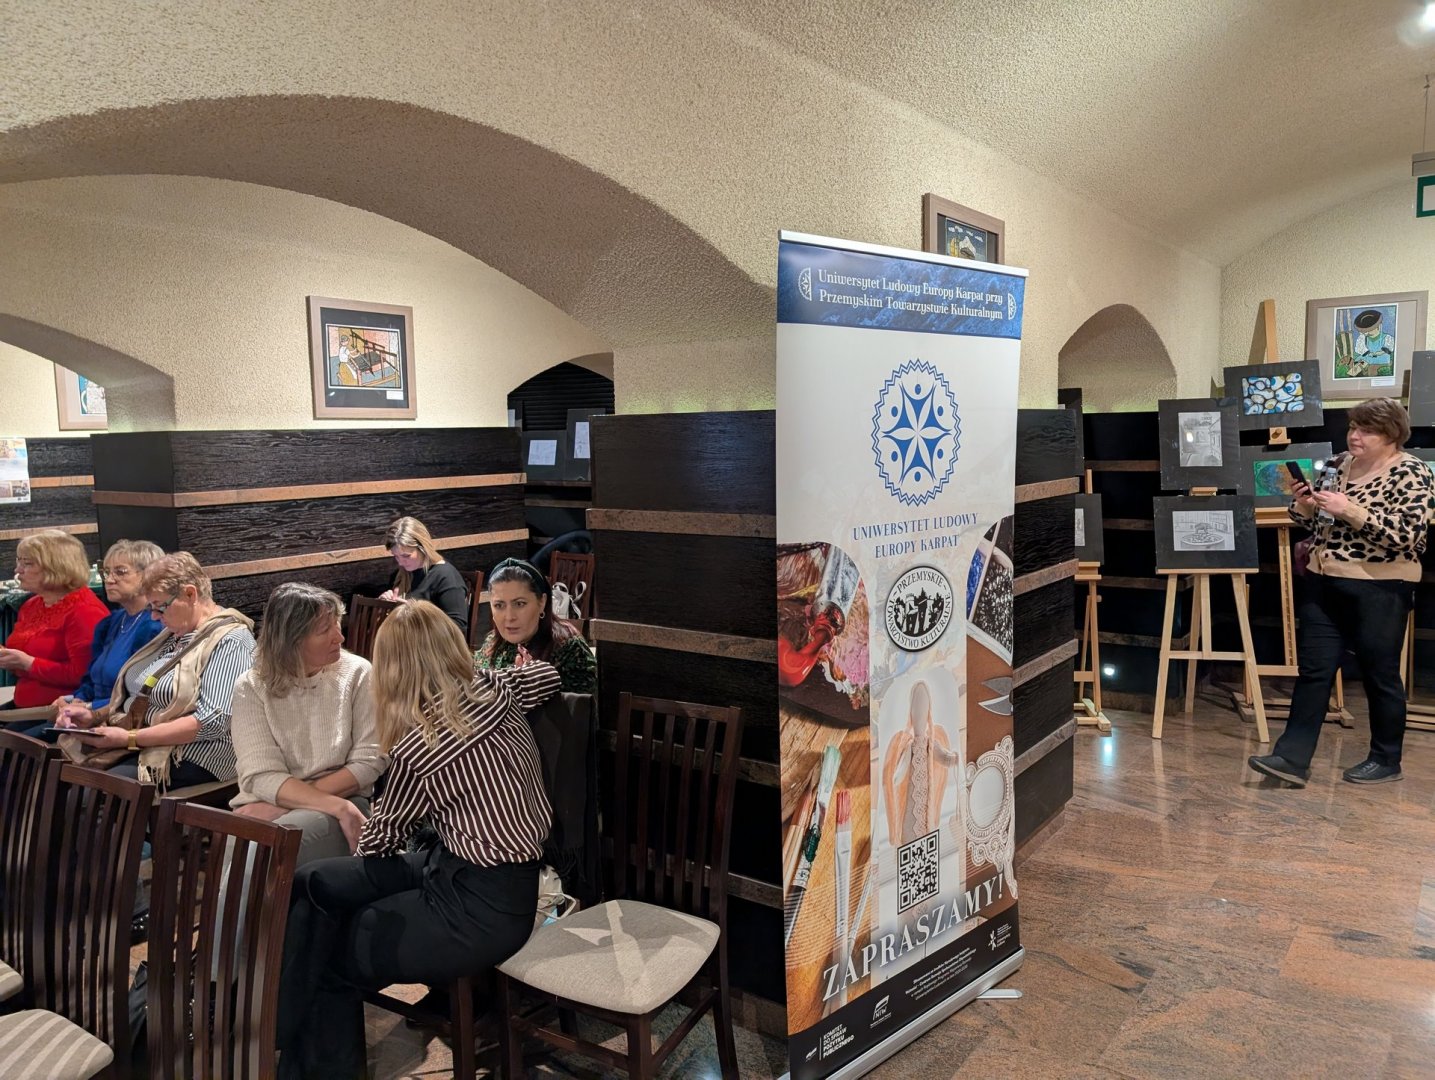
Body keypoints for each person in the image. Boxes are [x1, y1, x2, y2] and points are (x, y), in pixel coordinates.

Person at [276, 601, 562, 1080]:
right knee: (313, 880)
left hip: (478, 909)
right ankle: (278, 1019)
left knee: (327, 954)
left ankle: (287, 1036)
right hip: (469, 870)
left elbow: (380, 843)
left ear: (393, 668)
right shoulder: (494, 687)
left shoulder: (420, 746)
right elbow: (548, 675)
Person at [1250, 398, 1435, 787]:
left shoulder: (1412, 472)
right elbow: (1318, 523)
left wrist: (1349, 509)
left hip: (1381, 587)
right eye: (1353, 427)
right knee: (1314, 671)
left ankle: (1386, 759)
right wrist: (1305, 504)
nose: (1355, 436)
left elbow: (1407, 536)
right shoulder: (1337, 464)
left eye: (1367, 430)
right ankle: (1291, 758)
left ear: (1392, 435)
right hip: (1324, 580)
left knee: (1379, 674)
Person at [54, 551, 255, 787]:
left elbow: (211, 721)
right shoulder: (173, 634)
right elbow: (142, 697)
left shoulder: (232, 640)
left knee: (89, 791)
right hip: (142, 743)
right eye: (151, 607)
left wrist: (130, 738)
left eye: (160, 607)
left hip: (194, 755)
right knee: (58, 774)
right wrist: (94, 715)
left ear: (190, 594)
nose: (154, 616)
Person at [229, 583, 388, 863]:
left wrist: (287, 805)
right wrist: (294, 803)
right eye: (325, 630)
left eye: (337, 623)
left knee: (262, 855)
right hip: (268, 802)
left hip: (343, 799)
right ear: (290, 641)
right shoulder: (251, 686)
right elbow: (261, 774)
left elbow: (369, 762)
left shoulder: (358, 672)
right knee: (237, 850)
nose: (339, 637)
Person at [17, 539, 165, 740]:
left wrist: (87, 706)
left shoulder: (154, 626)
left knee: (19, 745)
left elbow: (138, 693)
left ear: (148, 576)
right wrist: (75, 698)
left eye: (120, 572)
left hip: (117, 721)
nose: (109, 579)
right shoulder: (112, 622)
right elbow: (89, 679)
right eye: (107, 572)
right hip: (87, 713)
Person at [0, 529, 109, 710]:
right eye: (19, 562)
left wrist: (28, 664)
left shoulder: (85, 611)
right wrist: (9, 659)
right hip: (24, 705)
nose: (18, 570)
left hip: (61, 711)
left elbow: (84, 676)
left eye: (27, 564)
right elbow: (23, 661)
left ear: (57, 567)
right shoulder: (32, 605)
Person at [476, 557, 596, 693]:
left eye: (520, 604)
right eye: (499, 605)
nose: (509, 617)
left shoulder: (569, 648)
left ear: (542, 602)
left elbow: (581, 704)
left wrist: (532, 687)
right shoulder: (492, 643)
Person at [378, 515, 469, 635]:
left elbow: (458, 628)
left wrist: (416, 614)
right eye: (396, 556)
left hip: (433, 646)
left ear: (423, 548)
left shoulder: (445, 576)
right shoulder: (401, 574)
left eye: (406, 556)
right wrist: (383, 605)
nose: (400, 562)